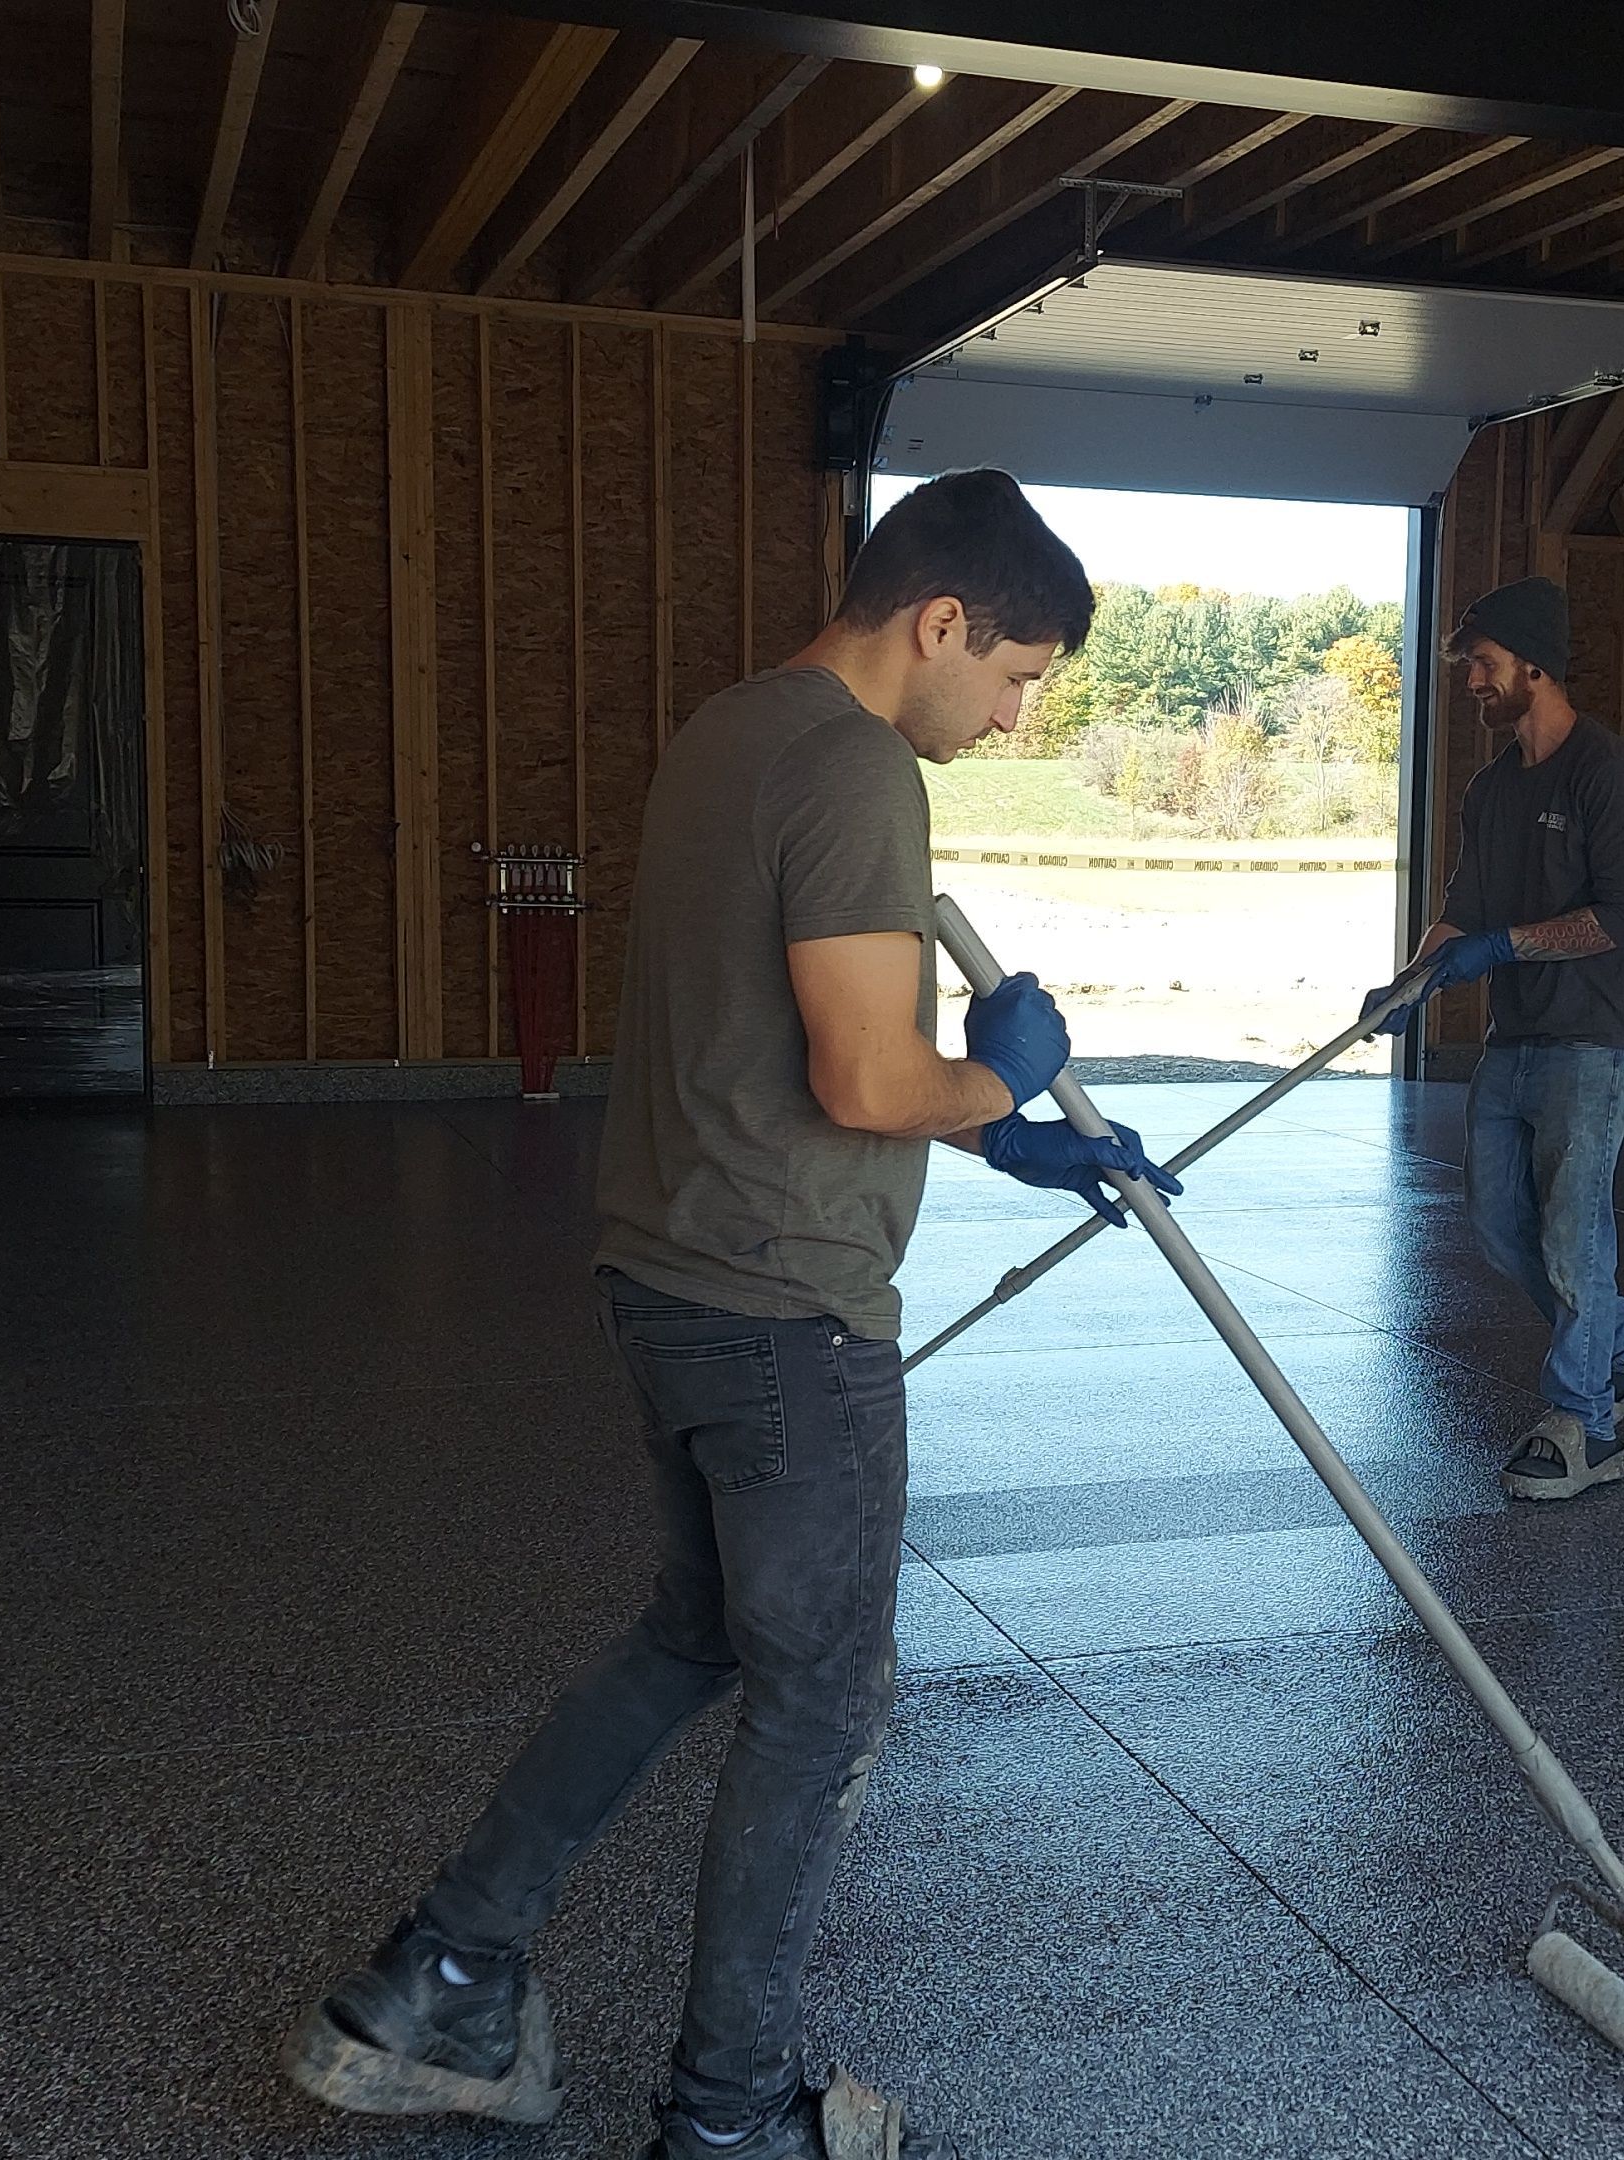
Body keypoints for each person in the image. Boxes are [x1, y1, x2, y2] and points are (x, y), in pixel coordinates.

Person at [281, 470, 1174, 2160]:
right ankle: (731, 2118)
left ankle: (439, 1983)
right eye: (1019, 673)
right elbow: (861, 1071)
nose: (1014, 711)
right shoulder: (858, 770)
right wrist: (1005, 1065)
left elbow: (775, 1055)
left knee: (694, 1638)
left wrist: (1014, 1140)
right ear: (941, 622)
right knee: (820, 1703)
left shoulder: (728, 735)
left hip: (671, 1278)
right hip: (789, 1321)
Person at [1365, 575, 1624, 1502]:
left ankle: (1584, 1424)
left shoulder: (1608, 775)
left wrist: (1504, 948)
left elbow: (1618, 918)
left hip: (1592, 1042)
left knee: (1572, 1234)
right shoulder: (1492, 787)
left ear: (1535, 666)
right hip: (1514, 1042)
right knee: (1503, 1231)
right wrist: (1413, 983)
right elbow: (1465, 906)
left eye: (1484, 662)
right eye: (1471, 663)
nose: (1471, 679)